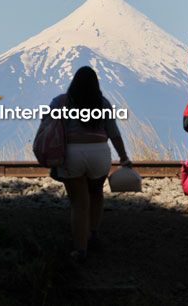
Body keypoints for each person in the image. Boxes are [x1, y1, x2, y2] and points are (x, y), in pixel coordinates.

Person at [47, 66, 131, 262]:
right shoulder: (103, 103)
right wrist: (124, 157)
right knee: (96, 193)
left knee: (79, 204)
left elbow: (49, 128)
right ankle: (93, 234)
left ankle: (80, 249)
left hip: (71, 153)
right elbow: (114, 133)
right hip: (100, 153)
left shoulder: (59, 102)